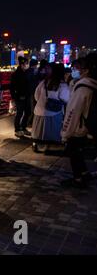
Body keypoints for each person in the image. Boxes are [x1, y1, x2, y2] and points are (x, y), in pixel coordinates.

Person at [61, 55, 97, 188]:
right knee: (79, 151)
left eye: (76, 68)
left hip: (77, 128)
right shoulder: (91, 85)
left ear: (86, 71)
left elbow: (73, 111)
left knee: (74, 153)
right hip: (86, 126)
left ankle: (78, 179)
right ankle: (85, 173)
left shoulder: (82, 89)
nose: (73, 71)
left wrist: (65, 133)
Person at [32, 63, 70, 152]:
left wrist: (43, 101)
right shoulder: (62, 84)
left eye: (48, 69)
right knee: (53, 131)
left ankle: (38, 145)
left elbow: (36, 96)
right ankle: (52, 146)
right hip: (54, 112)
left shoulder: (43, 82)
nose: (46, 71)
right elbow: (66, 98)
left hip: (40, 111)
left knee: (39, 132)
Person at [10, 56, 31, 137]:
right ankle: (17, 129)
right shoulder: (16, 74)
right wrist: (15, 97)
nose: (27, 65)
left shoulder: (26, 73)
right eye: (26, 63)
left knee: (28, 112)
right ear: (22, 64)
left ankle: (23, 127)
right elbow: (12, 87)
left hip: (27, 96)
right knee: (19, 113)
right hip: (20, 97)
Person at [26, 58, 40, 127]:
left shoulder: (28, 71)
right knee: (32, 108)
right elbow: (32, 81)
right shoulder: (32, 72)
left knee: (31, 108)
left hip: (30, 92)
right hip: (32, 92)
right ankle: (29, 123)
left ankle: (29, 122)